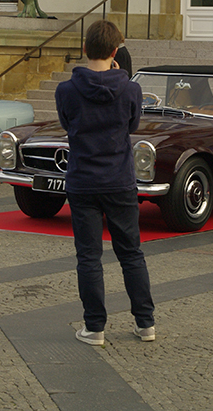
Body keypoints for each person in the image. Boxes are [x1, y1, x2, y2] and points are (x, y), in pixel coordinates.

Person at [55, 20, 155, 345]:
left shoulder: (66, 90)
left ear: (85, 48)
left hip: (83, 180)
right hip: (119, 180)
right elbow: (133, 124)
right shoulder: (131, 89)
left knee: (88, 256)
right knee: (131, 253)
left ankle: (94, 327)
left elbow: (67, 123)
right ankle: (145, 323)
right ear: (115, 52)